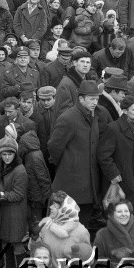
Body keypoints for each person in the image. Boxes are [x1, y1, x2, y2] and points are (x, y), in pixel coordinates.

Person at [48, 80, 102, 225]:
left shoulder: (94, 115)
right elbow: (54, 147)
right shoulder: (68, 118)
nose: (95, 102)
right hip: (70, 185)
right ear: (81, 99)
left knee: (80, 229)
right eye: (91, 99)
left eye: (97, 99)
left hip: (88, 187)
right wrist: (68, 163)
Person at [97, 95, 134, 217]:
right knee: (121, 216)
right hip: (122, 181)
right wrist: (114, 174)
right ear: (125, 111)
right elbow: (103, 155)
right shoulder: (113, 128)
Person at [0, 136, 28, 268]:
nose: (6, 157)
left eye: (10, 154)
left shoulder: (20, 170)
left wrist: (2, 195)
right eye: (4, 154)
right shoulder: (0, 165)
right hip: (4, 212)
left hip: (15, 213)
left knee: (16, 243)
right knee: (5, 241)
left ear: (15, 154)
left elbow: (19, 194)